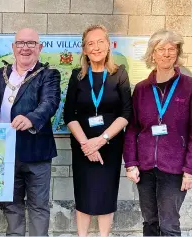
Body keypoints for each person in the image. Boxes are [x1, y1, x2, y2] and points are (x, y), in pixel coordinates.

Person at [123, 29, 192, 236]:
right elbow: (132, 129)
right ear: (152, 54)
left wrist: (191, 170)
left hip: (175, 169)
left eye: (172, 49)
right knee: (150, 221)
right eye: (161, 49)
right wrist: (131, 163)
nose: (167, 54)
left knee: (169, 225)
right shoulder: (141, 89)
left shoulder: (191, 87)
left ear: (177, 53)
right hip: (145, 168)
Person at [63, 25, 132, 236]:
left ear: (109, 45)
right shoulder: (78, 76)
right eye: (90, 44)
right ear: (84, 49)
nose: (96, 47)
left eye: (100, 42)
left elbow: (126, 113)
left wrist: (100, 140)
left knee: (106, 194)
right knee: (83, 194)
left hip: (110, 146)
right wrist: (87, 145)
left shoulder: (119, 74)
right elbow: (69, 115)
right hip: (83, 147)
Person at [0, 28, 61, 236]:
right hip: (7, 153)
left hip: (37, 153)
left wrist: (31, 118)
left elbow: (50, 102)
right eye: (20, 43)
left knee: (39, 208)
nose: (25, 48)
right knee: (11, 207)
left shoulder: (49, 75)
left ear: (39, 48)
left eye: (31, 43)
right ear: (13, 47)